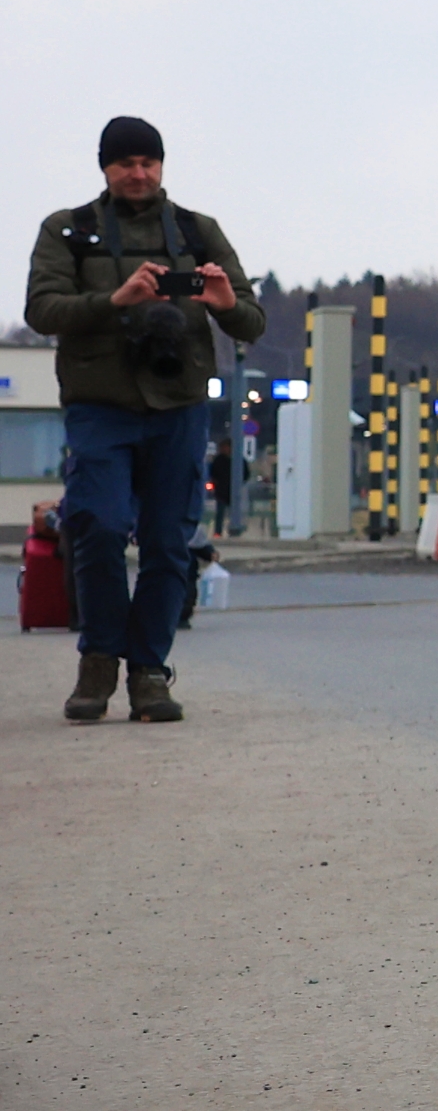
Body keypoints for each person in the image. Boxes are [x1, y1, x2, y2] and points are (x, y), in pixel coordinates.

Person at [24, 115, 267, 724]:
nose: (138, 173)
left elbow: (252, 322)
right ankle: (100, 658)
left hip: (178, 407)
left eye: (148, 163)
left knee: (168, 543)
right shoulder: (69, 230)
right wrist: (116, 300)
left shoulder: (195, 230)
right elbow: (42, 309)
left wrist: (226, 304)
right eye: (125, 163)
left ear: (162, 166)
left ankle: (150, 672)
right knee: (99, 528)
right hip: (100, 407)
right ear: (105, 167)